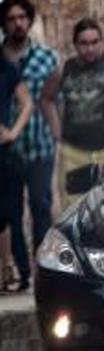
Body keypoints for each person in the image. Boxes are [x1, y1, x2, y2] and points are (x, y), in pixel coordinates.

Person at [41, 18, 104, 210]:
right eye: (84, 43)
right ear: (75, 44)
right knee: (73, 208)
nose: (90, 48)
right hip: (75, 152)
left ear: (102, 43)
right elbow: (46, 98)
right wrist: (56, 131)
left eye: (94, 42)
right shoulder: (64, 69)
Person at [1, 0, 59, 293]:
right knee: (11, 212)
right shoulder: (0, 60)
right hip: (8, 152)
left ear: (30, 20)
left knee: (40, 207)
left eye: (22, 17)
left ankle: (43, 271)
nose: (17, 23)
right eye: (11, 19)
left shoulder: (47, 58)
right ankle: (22, 273)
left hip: (39, 147)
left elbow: (55, 101)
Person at [0, 52, 33, 292]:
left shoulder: (6, 68)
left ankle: (21, 272)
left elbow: (28, 103)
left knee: (12, 214)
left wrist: (13, 132)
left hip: (6, 153)